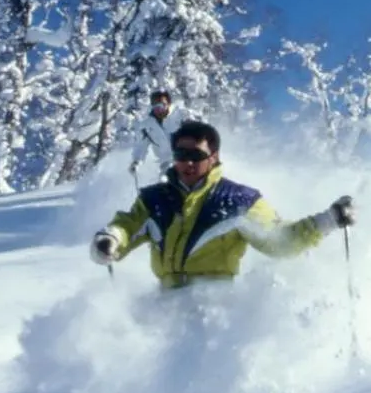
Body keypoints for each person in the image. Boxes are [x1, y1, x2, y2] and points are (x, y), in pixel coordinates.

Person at [91, 119, 356, 288]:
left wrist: (329, 219)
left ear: (214, 157)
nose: (188, 163)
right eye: (181, 155)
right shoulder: (154, 200)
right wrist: (110, 240)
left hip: (214, 311)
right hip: (166, 305)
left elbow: (280, 242)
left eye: (196, 155)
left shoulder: (238, 201)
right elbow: (128, 227)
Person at [127, 90, 186, 179]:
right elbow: (141, 147)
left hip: (185, 159)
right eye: (155, 106)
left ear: (168, 104)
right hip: (166, 163)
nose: (158, 109)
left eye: (161, 106)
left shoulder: (180, 116)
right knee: (165, 180)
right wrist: (136, 162)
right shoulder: (147, 126)